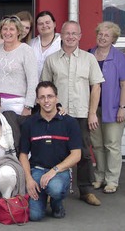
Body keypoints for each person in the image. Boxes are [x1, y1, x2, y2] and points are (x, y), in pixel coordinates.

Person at [40, 20, 104, 206]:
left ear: (80, 36)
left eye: (74, 33)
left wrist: (92, 113)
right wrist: (53, 108)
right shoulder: (51, 59)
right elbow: (45, 88)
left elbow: (96, 87)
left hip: (82, 113)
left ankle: (85, 191)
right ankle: (53, 188)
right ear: (61, 35)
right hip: (58, 114)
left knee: (83, 152)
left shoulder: (89, 59)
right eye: (67, 33)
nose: (70, 37)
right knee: (54, 151)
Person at [19, 81, 82, 221]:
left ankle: (56, 203)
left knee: (55, 188)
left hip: (59, 171)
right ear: (37, 100)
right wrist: (28, 179)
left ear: (56, 98)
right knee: (35, 216)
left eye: (50, 96)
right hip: (36, 170)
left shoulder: (69, 122)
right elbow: (23, 154)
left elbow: (76, 155)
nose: (46, 101)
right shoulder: (29, 123)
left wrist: (54, 170)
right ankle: (43, 197)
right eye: (42, 97)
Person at [88, 21, 125, 194]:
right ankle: (99, 177)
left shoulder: (119, 57)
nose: (102, 37)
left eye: (107, 35)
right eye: (100, 34)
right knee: (97, 144)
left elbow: (124, 84)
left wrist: (122, 107)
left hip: (114, 108)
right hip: (93, 109)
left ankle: (112, 180)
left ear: (114, 39)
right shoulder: (90, 54)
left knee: (112, 144)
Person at [0, 15, 38, 116]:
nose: (7, 32)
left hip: (17, 103)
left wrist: (28, 106)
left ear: (18, 32)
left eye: (12, 29)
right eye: (5, 29)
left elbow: (33, 80)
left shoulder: (26, 50)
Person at [30, 11, 62, 77]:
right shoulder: (31, 43)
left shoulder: (63, 43)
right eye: (40, 24)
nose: (44, 26)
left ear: (54, 24)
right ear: (37, 27)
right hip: (33, 86)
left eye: (47, 22)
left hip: (55, 85)